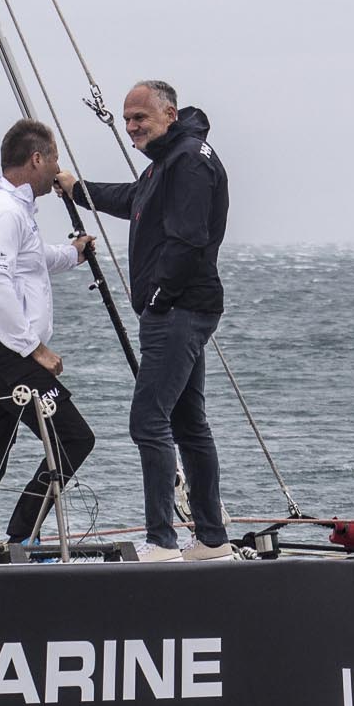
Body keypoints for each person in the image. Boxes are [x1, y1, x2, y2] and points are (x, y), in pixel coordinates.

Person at [58, 80, 231, 563]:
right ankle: (211, 541)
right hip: (184, 308)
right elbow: (135, 199)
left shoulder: (188, 161)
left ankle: (161, 542)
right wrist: (77, 190)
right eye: (128, 118)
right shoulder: (169, 161)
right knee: (188, 423)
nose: (132, 126)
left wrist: (156, 298)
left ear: (169, 115)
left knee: (149, 420)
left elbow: (188, 239)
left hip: (177, 311)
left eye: (141, 118)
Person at [0, 118, 97, 554]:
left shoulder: (11, 209)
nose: (58, 170)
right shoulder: (2, 212)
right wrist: (35, 348)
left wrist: (72, 255)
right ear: (36, 159)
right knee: (74, 438)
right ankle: (24, 532)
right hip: (7, 356)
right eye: (55, 160)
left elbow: (29, 259)